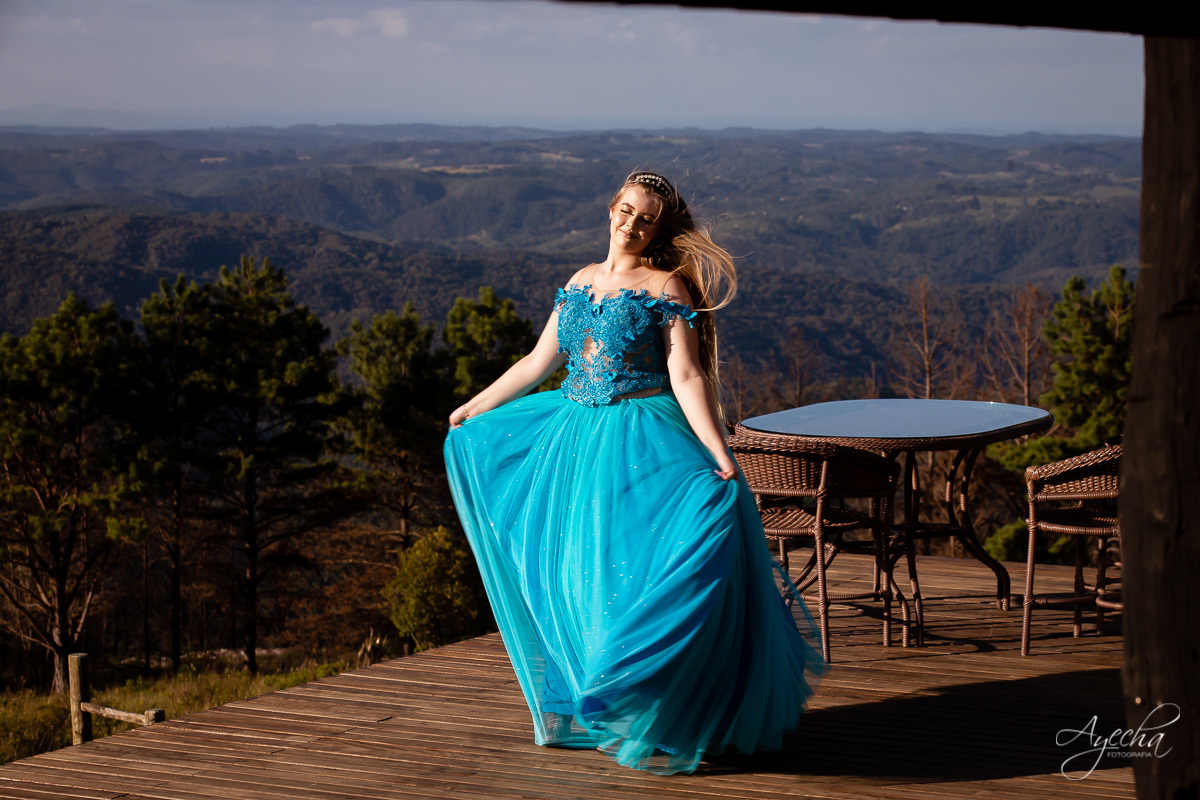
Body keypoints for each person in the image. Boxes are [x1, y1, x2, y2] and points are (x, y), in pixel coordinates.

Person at [444, 170, 825, 775]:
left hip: (641, 439)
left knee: (653, 562)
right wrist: (477, 405)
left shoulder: (667, 287)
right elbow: (540, 360)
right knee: (585, 570)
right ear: (610, 209)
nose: (630, 224)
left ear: (658, 228)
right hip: (572, 441)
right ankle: (609, 695)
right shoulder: (578, 280)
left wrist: (719, 449)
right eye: (624, 210)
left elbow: (688, 376)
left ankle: (658, 700)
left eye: (644, 218)